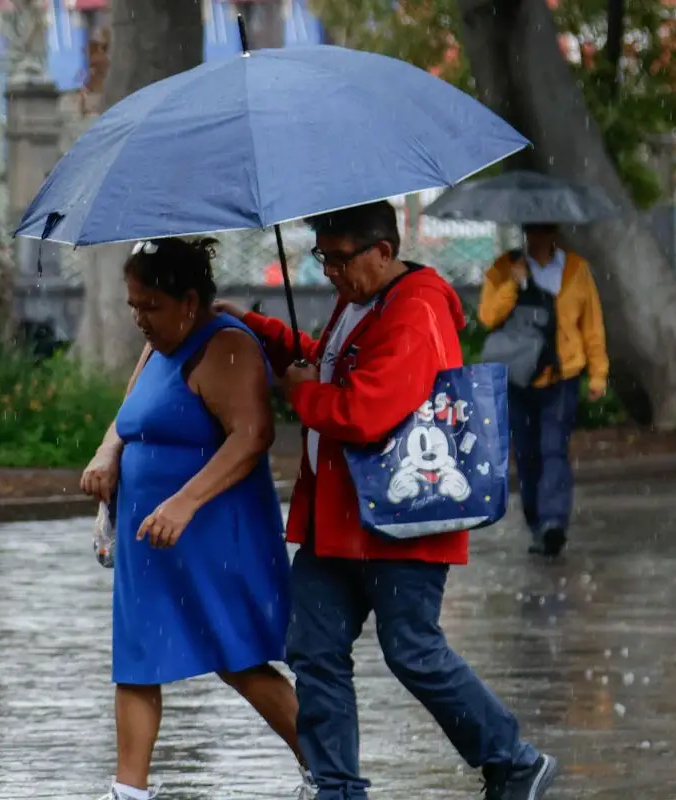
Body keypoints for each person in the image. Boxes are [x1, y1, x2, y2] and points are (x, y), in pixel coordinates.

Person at [215, 201, 559, 800]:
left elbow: (366, 410)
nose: (331, 271)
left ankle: (513, 761)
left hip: (403, 519)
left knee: (412, 651)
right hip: (339, 519)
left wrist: (303, 396)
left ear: (382, 250)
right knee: (314, 649)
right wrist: (259, 329)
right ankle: (337, 788)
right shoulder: (362, 299)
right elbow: (328, 365)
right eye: (323, 257)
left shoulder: (416, 309)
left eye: (340, 258)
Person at [80, 237, 309, 800]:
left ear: (188, 301)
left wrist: (184, 502)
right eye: (133, 305)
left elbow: (252, 436)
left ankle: (327, 770)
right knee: (137, 658)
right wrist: (107, 452)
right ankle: (128, 792)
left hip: (210, 531)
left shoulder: (227, 347)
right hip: (150, 539)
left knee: (239, 658)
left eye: (150, 306)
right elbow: (131, 413)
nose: (140, 318)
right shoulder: (158, 345)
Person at [478, 224, 609, 556]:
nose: (539, 236)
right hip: (518, 377)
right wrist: (514, 283)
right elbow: (488, 316)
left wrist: (598, 373)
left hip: (562, 374)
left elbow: (591, 324)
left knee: (554, 449)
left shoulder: (576, 269)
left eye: (546, 229)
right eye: (533, 229)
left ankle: (553, 523)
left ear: (555, 232)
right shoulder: (504, 267)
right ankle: (537, 523)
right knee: (526, 454)